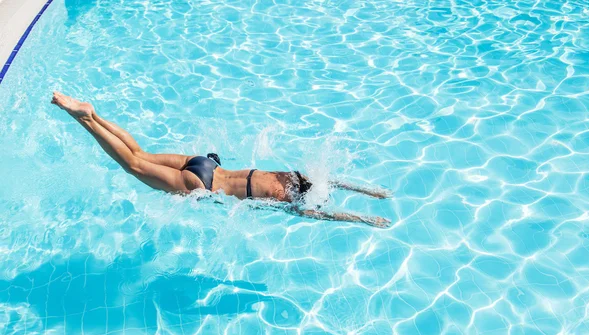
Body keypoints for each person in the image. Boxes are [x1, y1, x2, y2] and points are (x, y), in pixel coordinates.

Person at [51, 91, 391, 227]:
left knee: (141, 152)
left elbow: (334, 181)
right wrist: (363, 220)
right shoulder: (293, 202)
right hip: (201, 183)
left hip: (206, 163)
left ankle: (94, 114)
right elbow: (328, 216)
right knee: (132, 165)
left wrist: (371, 192)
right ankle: (82, 120)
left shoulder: (292, 176)